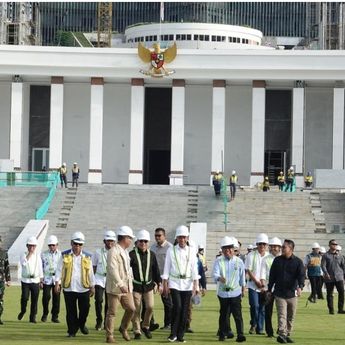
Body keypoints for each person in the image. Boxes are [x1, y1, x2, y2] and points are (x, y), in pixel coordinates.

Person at [162, 225, 200, 343]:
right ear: (177, 238)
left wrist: (196, 285)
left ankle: (180, 335)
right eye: (180, 237)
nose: (182, 240)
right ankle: (173, 334)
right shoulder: (171, 250)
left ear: (187, 238)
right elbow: (167, 268)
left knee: (184, 310)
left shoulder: (192, 250)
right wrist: (165, 284)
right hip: (174, 283)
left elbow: (194, 269)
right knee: (177, 307)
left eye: (184, 237)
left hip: (187, 284)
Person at [54, 231, 95, 337]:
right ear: (71, 243)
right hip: (69, 288)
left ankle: (81, 324)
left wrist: (92, 286)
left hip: (83, 288)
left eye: (79, 244)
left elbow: (90, 272)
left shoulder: (87, 256)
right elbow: (59, 269)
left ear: (82, 245)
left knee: (85, 309)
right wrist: (57, 283)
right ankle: (72, 331)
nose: (77, 246)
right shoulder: (64, 255)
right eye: (75, 244)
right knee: (71, 312)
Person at [268, 239, 305, 344]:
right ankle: (282, 334)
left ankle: (288, 334)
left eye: (284, 247)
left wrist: (300, 287)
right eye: (282, 247)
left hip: (292, 294)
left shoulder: (298, 262)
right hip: (279, 293)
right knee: (282, 315)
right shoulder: (277, 260)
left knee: (291, 316)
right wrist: (269, 289)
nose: (282, 249)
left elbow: (301, 275)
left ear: (291, 249)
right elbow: (272, 276)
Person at [105, 226, 136, 344]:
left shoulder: (125, 251)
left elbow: (128, 269)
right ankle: (110, 336)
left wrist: (128, 283)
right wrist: (120, 283)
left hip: (127, 286)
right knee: (112, 312)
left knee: (131, 309)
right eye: (130, 238)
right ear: (125, 238)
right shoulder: (113, 251)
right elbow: (112, 269)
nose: (131, 241)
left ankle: (123, 328)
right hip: (115, 287)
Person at [213, 236, 246, 342]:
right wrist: (219, 278)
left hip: (235, 292)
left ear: (233, 249)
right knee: (224, 314)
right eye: (225, 248)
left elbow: (242, 276)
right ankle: (222, 333)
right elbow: (215, 274)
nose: (228, 250)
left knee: (237, 315)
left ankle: (240, 334)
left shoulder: (239, 261)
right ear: (222, 250)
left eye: (230, 248)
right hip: (223, 293)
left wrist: (243, 287)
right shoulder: (219, 261)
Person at [129, 229, 161, 340]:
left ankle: (145, 326)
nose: (143, 243)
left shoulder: (152, 254)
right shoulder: (131, 255)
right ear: (137, 242)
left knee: (150, 307)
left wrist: (159, 282)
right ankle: (137, 331)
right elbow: (127, 271)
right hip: (136, 286)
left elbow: (155, 269)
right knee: (136, 309)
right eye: (141, 241)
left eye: (146, 241)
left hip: (148, 286)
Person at [245, 233, 269, 335]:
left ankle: (259, 328)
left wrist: (263, 284)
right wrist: (256, 282)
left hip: (265, 286)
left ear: (266, 245)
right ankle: (254, 324)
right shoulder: (251, 255)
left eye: (264, 244)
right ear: (257, 244)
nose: (262, 246)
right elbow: (249, 270)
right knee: (254, 305)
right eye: (260, 244)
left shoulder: (269, 256)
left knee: (262, 308)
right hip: (253, 285)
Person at [92, 230, 116, 331]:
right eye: (108, 241)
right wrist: (92, 281)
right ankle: (99, 320)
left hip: (110, 279)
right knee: (98, 300)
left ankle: (107, 322)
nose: (110, 243)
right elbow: (93, 266)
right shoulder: (98, 252)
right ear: (104, 241)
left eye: (112, 241)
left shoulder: (116, 252)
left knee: (108, 303)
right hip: (99, 278)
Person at [150, 227, 173, 330]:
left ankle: (168, 324)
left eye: (159, 235)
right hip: (154, 278)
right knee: (148, 301)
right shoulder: (152, 248)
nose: (157, 237)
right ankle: (150, 322)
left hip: (165, 279)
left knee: (167, 302)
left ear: (164, 236)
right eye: (156, 235)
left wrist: (167, 280)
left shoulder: (170, 248)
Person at [260, 237, 282, 338]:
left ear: (280, 248)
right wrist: (263, 286)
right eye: (272, 246)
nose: (273, 248)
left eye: (275, 246)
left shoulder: (283, 259)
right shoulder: (266, 259)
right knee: (268, 311)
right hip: (269, 289)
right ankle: (269, 331)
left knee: (281, 311)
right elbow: (263, 273)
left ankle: (281, 329)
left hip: (281, 289)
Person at [18, 236, 43, 323]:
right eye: (30, 245)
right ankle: (23, 310)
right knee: (25, 298)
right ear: (27, 246)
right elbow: (23, 264)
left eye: (34, 246)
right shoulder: (23, 254)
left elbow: (40, 267)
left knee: (34, 300)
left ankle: (32, 317)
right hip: (25, 281)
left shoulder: (38, 255)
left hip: (35, 281)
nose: (32, 247)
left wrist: (41, 279)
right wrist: (30, 254)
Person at [41, 235, 61, 323]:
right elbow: (40, 267)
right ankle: (45, 313)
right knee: (46, 297)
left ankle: (55, 316)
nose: (51, 247)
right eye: (50, 245)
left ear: (57, 245)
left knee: (56, 298)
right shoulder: (43, 254)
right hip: (47, 279)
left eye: (53, 245)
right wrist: (40, 280)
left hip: (57, 279)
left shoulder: (61, 255)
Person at [321, 239, 345, 315]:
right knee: (330, 294)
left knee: (341, 293)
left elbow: (343, 266)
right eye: (333, 244)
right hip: (329, 278)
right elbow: (323, 265)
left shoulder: (340, 256)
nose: (335, 245)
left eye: (335, 244)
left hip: (339, 277)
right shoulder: (325, 255)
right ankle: (331, 310)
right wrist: (326, 273)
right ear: (329, 245)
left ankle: (340, 309)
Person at [0, 237, 11, 325]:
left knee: (0, 299)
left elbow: (7, 267)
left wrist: (8, 279)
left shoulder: (4, 253)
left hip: (1, 281)